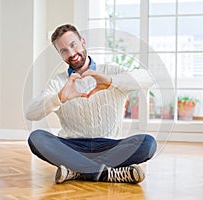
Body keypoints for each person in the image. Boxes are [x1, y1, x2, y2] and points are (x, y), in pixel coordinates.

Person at [26, 24, 157, 184]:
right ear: (60, 55)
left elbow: (148, 78)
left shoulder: (111, 71)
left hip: (110, 145)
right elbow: (31, 113)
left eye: (73, 45)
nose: (72, 53)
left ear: (83, 42)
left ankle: (76, 171)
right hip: (72, 147)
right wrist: (59, 97)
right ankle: (105, 173)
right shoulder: (58, 82)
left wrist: (111, 82)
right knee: (37, 137)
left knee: (147, 143)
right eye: (64, 50)